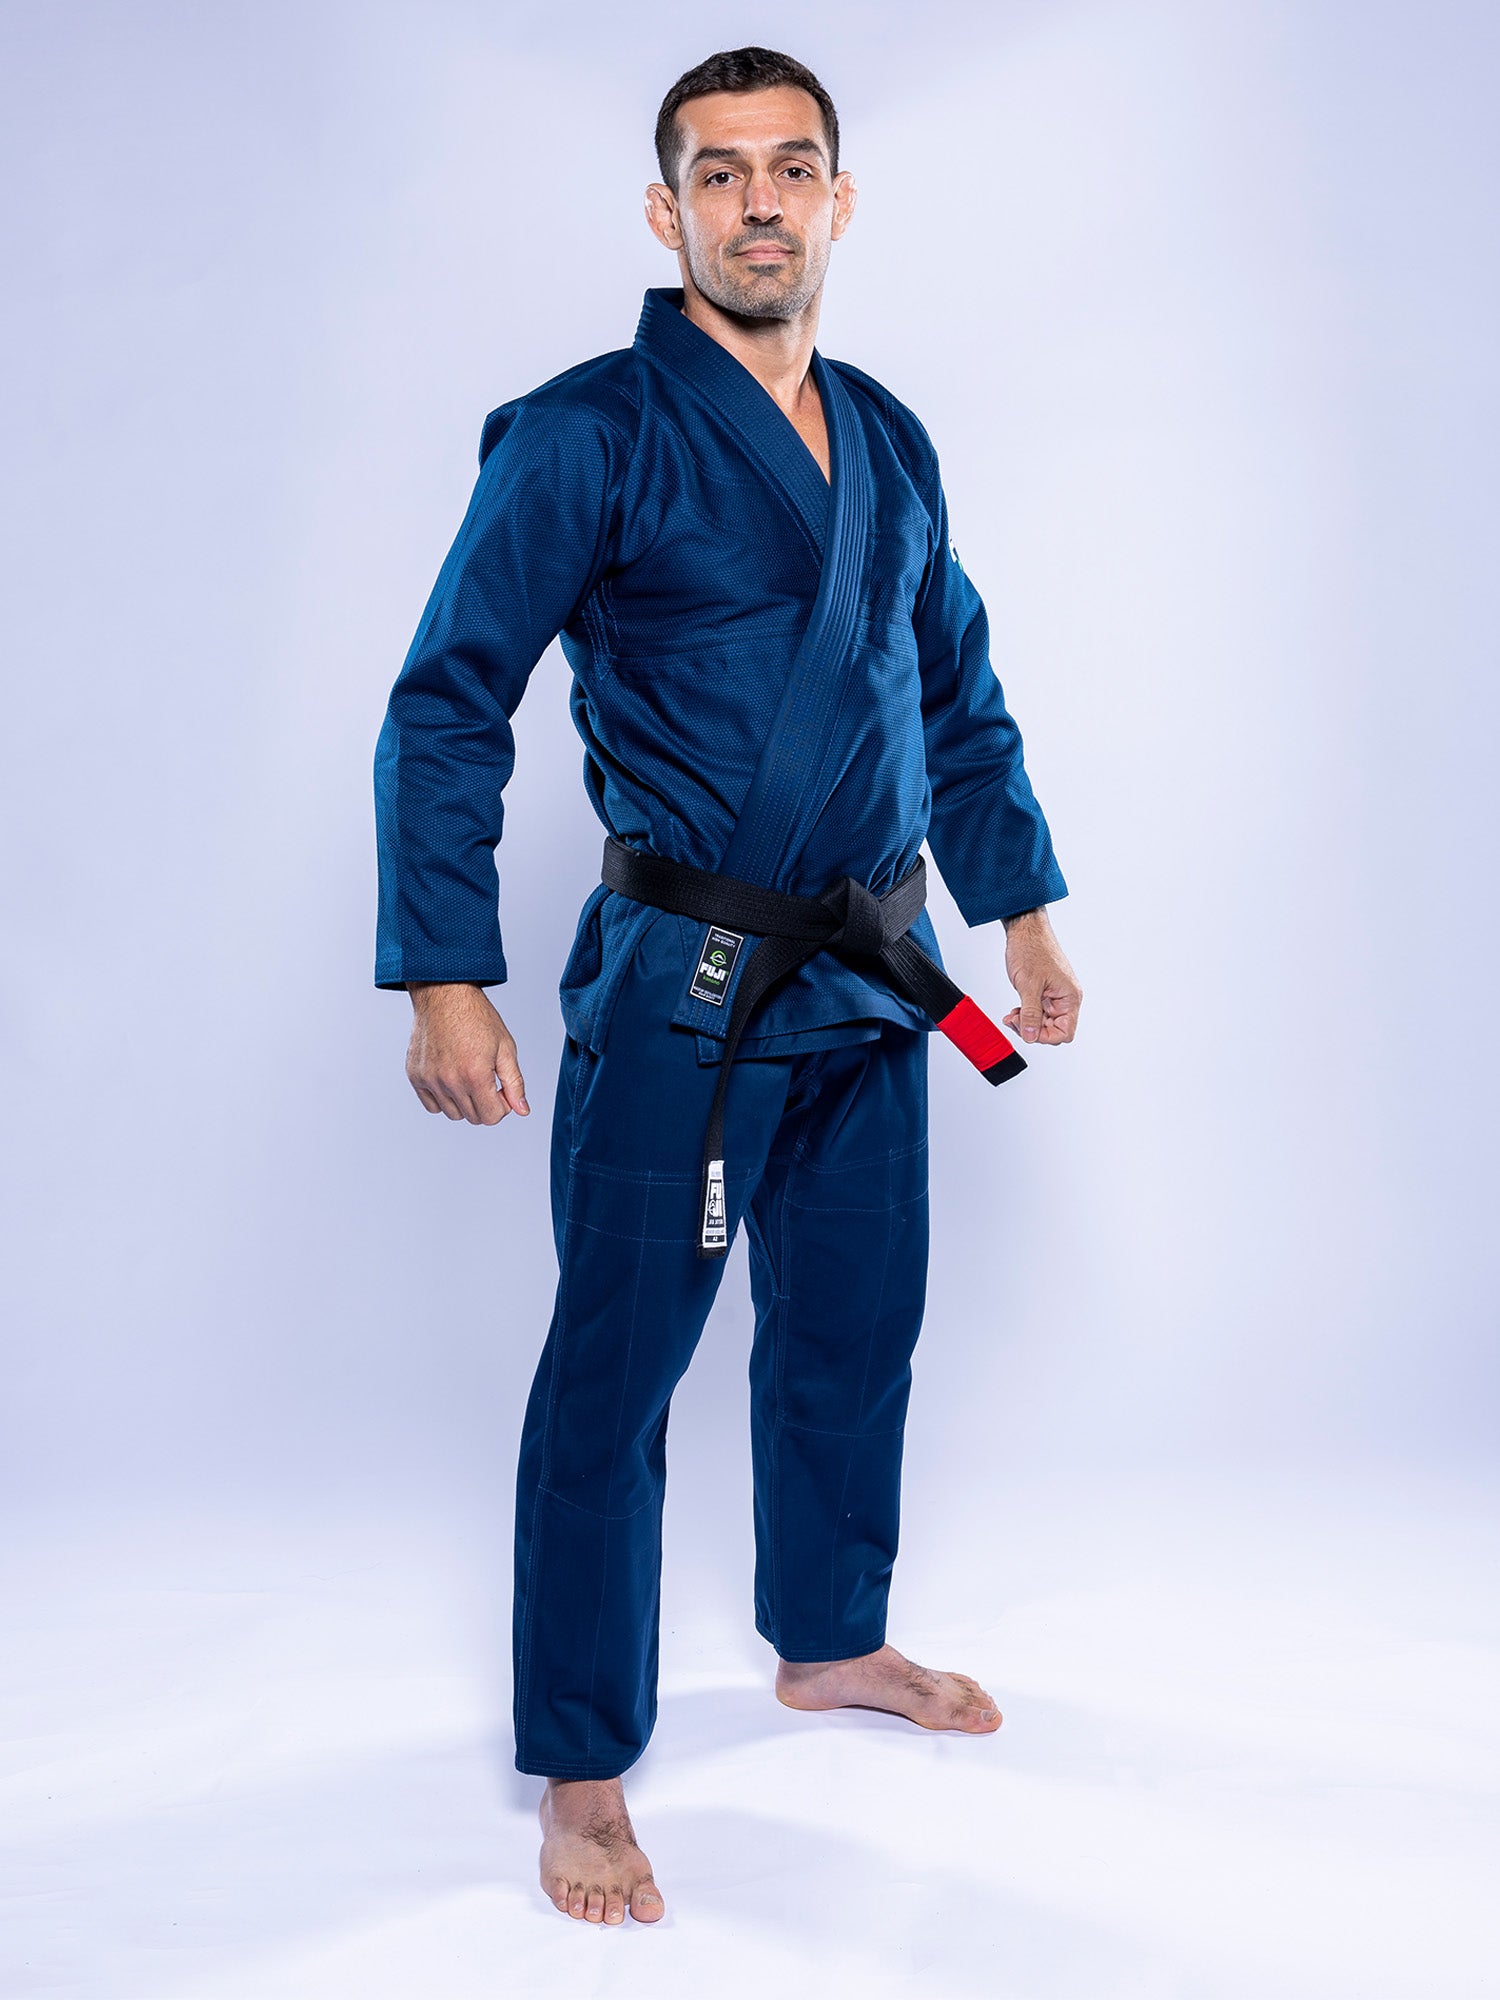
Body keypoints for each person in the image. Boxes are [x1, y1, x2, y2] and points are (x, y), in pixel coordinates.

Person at [373, 46, 1082, 1926]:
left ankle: (829, 1639)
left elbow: (954, 686)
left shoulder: (891, 438)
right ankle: (582, 1762)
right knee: (616, 1375)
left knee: (853, 1329)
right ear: (665, 207)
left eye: (792, 169)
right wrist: (445, 971)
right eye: (720, 171)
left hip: (876, 978)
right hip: (686, 993)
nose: (759, 202)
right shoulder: (585, 433)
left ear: (839, 202)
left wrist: (1020, 908)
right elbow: (447, 703)